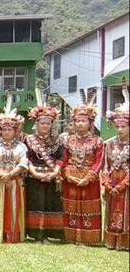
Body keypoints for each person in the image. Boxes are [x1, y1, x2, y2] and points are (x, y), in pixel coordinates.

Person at [61, 89, 103, 246]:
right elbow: (63, 160)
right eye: (77, 121)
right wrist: (67, 174)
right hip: (70, 178)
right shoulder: (67, 140)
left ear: (90, 123)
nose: (79, 124)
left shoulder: (98, 141)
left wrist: (88, 177)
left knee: (87, 207)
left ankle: (88, 238)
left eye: (83, 121)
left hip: (89, 179)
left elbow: (99, 162)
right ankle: (70, 236)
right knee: (70, 206)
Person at [24, 88, 65, 243]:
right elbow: (26, 158)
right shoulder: (28, 139)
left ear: (52, 124)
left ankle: (47, 235)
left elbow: (61, 157)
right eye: (42, 122)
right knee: (36, 204)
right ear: (37, 123)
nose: (45, 125)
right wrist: (35, 173)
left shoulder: (58, 140)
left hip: (52, 177)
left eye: (48, 123)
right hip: (34, 177)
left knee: (50, 204)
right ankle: (36, 235)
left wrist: (55, 173)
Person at [0, 92, 28, 243]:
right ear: (0, 131)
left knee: (14, 207)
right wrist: (2, 175)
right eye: (3, 129)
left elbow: (23, 163)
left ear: (16, 131)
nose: (6, 132)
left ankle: (13, 233)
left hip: (15, 181)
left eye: (9, 129)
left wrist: (10, 175)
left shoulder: (22, 146)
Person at [102, 85, 129, 251]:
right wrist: (107, 183)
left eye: (123, 127)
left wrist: (122, 185)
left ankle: (125, 242)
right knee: (113, 210)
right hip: (112, 181)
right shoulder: (110, 144)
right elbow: (106, 165)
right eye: (117, 127)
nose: (119, 130)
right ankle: (112, 241)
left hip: (126, 184)